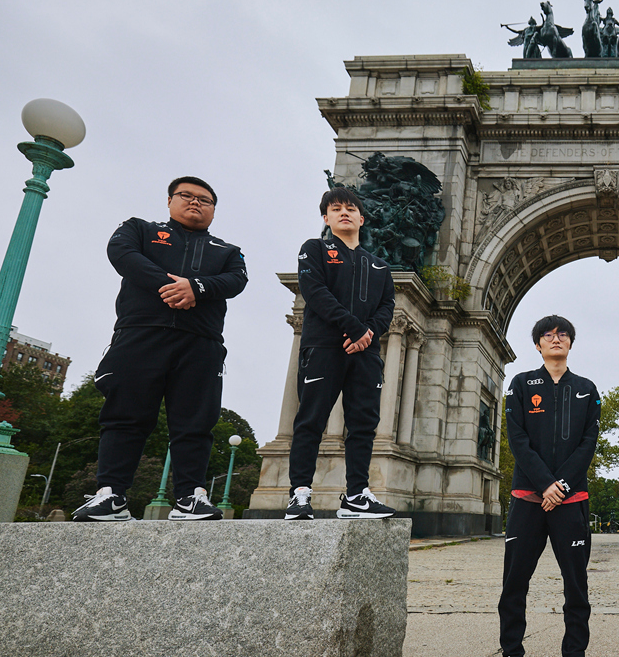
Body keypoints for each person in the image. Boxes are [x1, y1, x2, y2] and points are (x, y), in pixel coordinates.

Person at [73, 177, 248, 522]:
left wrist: (197, 288)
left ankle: (190, 497)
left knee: (196, 422)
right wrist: (174, 287)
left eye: (205, 200)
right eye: (187, 196)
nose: (195, 203)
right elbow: (122, 255)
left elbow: (237, 280)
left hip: (201, 342)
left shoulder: (227, 250)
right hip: (140, 334)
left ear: (214, 211)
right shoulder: (138, 229)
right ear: (170, 201)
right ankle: (111, 495)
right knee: (125, 415)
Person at [479, 316, 602, 657]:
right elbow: (517, 439)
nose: (555, 339)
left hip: (571, 500)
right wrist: (545, 484)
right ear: (537, 345)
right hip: (527, 499)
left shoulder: (587, 389)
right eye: (547, 335)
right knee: (514, 584)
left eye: (562, 334)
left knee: (576, 586)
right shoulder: (520, 384)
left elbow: (588, 444)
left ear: (571, 343)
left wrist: (560, 485)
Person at [284, 187, 397, 520]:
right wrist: (354, 328)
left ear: (362, 218)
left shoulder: (380, 266)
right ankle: (299, 494)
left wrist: (368, 333)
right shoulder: (314, 249)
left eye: (350, 208)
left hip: (366, 353)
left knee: (363, 424)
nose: (344, 212)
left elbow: (387, 307)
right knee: (311, 420)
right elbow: (315, 292)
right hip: (323, 346)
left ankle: (357, 494)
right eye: (336, 209)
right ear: (326, 218)